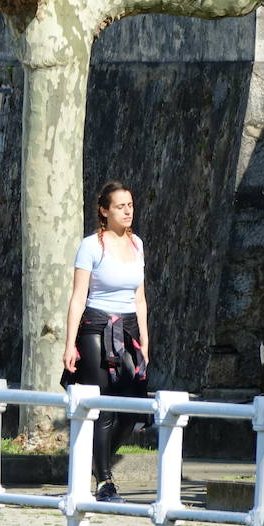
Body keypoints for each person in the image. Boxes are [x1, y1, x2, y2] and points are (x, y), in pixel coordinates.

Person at [62, 181, 150, 503]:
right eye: (119, 206)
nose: (127, 211)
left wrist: (145, 341)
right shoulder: (91, 246)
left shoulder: (137, 244)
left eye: (130, 205)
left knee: (133, 406)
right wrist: (69, 343)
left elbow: (140, 298)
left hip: (128, 330)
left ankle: (91, 461)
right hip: (96, 327)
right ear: (104, 210)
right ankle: (105, 481)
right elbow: (77, 298)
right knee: (103, 406)